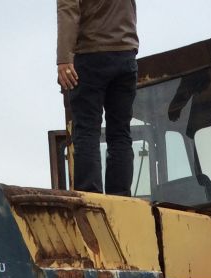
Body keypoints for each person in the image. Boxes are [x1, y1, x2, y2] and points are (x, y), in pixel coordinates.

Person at [57, 0, 138, 195]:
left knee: (86, 130)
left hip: (91, 53)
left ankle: (90, 197)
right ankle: (121, 200)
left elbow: (68, 9)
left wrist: (63, 58)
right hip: (126, 54)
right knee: (120, 133)